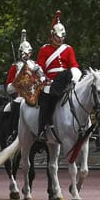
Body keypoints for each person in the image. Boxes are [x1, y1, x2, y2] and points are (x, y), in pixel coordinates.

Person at [36, 10, 81, 142]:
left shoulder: (68, 49)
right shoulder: (45, 49)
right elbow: (40, 66)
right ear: (52, 36)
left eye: (62, 36)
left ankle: (83, 126)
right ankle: (42, 128)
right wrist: (43, 78)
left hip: (66, 80)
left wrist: (75, 77)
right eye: (58, 36)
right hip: (50, 82)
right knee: (45, 102)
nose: (61, 39)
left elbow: (73, 65)